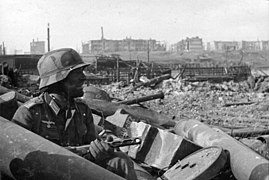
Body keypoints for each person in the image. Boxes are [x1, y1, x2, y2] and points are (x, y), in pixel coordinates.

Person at [12, 48, 137, 180]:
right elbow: (18, 159)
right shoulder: (30, 113)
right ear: (58, 80)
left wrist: (99, 150)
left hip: (77, 171)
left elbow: (89, 149)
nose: (83, 77)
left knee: (120, 161)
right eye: (76, 72)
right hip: (46, 175)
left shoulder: (82, 110)